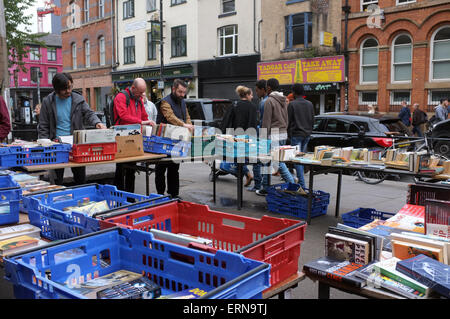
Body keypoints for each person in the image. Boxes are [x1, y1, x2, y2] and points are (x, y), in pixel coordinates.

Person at [38, 72, 106, 185]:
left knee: (80, 178)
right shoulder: (48, 102)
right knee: (56, 181)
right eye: (64, 89)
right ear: (56, 89)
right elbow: (43, 125)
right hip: (56, 146)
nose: (68, 91)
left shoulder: (78, 99)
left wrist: (97, 123)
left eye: (70, 87)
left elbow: (89, 113)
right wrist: (44, 144)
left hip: (77, 144)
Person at [113, 78, 155, 192]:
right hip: (121, 138)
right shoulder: (121, 97)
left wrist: (150, 125)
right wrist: (141, 122)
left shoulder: (139, 99)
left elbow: (144, 116)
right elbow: (123, 115)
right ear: (133, 88)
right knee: (121, 169)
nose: (142, 95)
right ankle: (119, 197)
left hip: (134, 138)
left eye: (143, 92)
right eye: (140, 92)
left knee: (131, 169)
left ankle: (130, 197)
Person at [155, 79, 194, 199]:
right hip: (162, 140)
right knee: (161, 169)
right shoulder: (165, 102)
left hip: (176, 140)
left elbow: (186, 116)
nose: (182, 95)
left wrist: (189, 125)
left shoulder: (182, 101)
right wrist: (184, 125)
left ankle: (173, 194)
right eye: (180, 92)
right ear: (173, 89)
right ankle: (160, 195)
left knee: (174, 168)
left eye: (184, 92)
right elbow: (170, 117)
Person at [256, 78, 295, 196]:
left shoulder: (269, 101)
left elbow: (266, 122)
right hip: (283, 132)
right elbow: (286, 119)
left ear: (269, 88)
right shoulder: (284, 100)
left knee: (277, 162)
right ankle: (265, 187)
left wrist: (262, 138)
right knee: (270, 161)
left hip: (273, 134)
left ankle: (292, 184)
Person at [219, 85, 257, 187]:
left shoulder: (234, 105)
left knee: (237, 158)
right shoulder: (252, 106)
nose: (252, 97)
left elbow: (226, 120)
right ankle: (247, 174)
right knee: (242, 158)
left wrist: (222, 134)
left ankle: (247, 174)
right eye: (251, 95)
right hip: (248, 136)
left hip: (235, 137)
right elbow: (253, 123)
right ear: (248, 95)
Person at [288, 83, 315, 189]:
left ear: (294, 92)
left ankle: (302, 185)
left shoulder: (292, 104)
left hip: (296, 134)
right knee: (302, 160)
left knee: (297, 161)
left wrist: (289, 134)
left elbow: (288, 121)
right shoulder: (309, 104)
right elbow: (313, 120)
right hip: (306, 134)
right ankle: (302, 183)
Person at [246, 80, 268, 192]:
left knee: (257, 161)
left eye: (257, 90)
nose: (256, 93)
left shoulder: (264, 102)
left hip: (263, 135)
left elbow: (262, 121)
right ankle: (262, 186)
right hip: (270, 134)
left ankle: (258, 186)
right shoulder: (274, 100)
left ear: (263, 89)